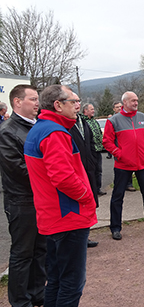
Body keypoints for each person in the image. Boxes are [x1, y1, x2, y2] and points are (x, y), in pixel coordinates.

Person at [24, 84, 97, 306]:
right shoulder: (54, 132)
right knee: (71, 283)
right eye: (73, 102)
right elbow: (63, 178)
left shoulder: (41, 128)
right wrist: (87, 197)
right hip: (67, 216)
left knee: (55, 278)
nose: (77, 106)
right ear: (57, 105)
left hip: (54, 216)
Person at [0, 85, 46, 307]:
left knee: (40, 249)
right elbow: (18, 170)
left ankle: (37, 292)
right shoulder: (7, 132)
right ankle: (20, 301)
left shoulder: (36, 127)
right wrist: (51, 177)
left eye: (37, 99)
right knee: (22, 253)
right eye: (33, 99)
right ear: (17, 102)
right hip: (22, 201)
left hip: (40, 199)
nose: (37, 103)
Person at [103, 91, 144, 240]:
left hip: (143, 163)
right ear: (124, 103)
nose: (136, 103)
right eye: (133, 101)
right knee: (118, 196)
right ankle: (115, 227)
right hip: (123, 165)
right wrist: (119, 154)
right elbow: (107, 141)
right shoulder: (114, 121)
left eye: (137, 100)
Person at [69, 94, 100, 248]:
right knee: (77, 203)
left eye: (78, 101)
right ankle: (78, 237)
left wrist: (93, 160)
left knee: (90, 202)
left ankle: (85, 234)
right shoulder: (65, 124)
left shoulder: (82, 121)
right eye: (73, 101)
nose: (77, 105)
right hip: (75, 170)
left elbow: (90, 141)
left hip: (88, 167)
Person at [82, 102, 107, 196]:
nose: (93, 111)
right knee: (90, 171)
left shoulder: (94, 121)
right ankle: (91, 189)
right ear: (86, 111)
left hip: (98, 150)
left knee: (98, 170)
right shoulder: (84, 122)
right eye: (91, 109)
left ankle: (98, 188)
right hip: (90, 151)